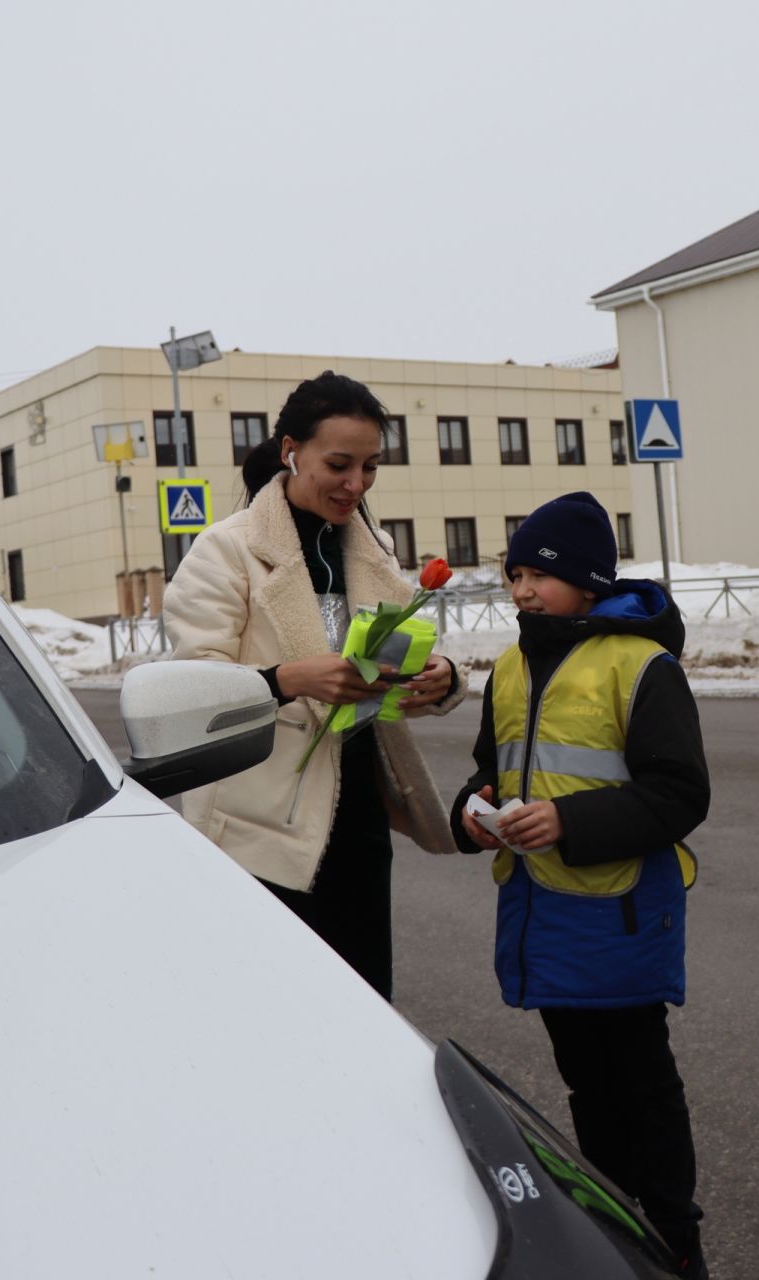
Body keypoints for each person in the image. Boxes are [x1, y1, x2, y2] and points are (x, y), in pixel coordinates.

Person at [450, 492, 712, 1280]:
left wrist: (569, 821)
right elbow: (489, 771)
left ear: (591, 581)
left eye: (544, 574)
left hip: (623, 913)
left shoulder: (641, 665)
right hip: (546, 912)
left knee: (640, 1083)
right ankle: (610, 1228)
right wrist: (475, 807)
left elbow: (679, 793)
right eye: (516, 572)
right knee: (586, 1085)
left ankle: (675, 1237)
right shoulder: (508, 666)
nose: (525, 589)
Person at [164, 370, 466, 1001]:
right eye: (339, 464)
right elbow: (189, 693)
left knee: (362, 1005)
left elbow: (399, 646)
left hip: (356, 819)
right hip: (257, 826)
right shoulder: (226, 551)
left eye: (371, 466)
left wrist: (440, 678)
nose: (355, 485)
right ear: (290, 451)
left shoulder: (373, 550)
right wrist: (285, 679)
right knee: (271, 1013)